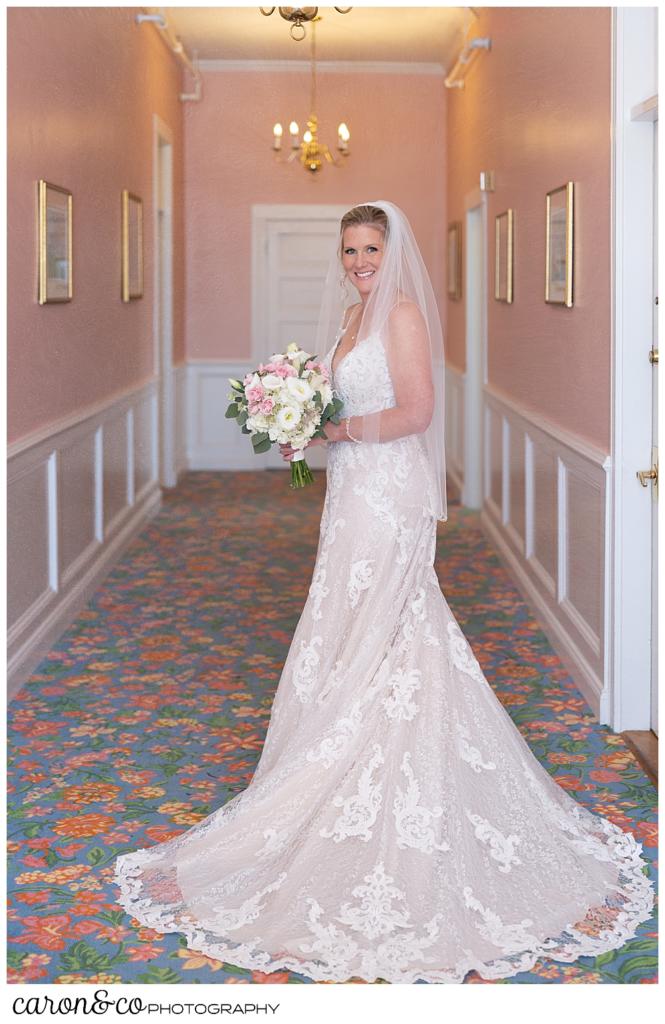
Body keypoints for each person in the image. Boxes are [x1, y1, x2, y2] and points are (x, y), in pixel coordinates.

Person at [114, 201, 654, 984]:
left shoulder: (398, 313)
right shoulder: (351, 312)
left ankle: (385, 781)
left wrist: (332, 431)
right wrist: (303, 415)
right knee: (352, 621)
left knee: (389, 624)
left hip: (388, 496)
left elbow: (417, 412)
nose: (359, 260)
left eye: (370, 248)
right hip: (351, 494)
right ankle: (334, 764)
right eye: (348, 249)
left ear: (391, 250)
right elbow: (346, 400)